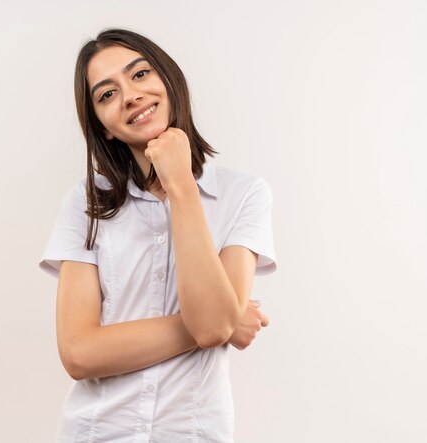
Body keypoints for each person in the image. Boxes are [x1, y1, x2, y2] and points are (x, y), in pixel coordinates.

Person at [39, 28, 277, 443]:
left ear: (168, 79)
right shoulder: (85, 203)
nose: (130, 95)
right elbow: (79, 353)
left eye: (140, 74)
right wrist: (222, 318)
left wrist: (182, 185)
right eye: (106, 95)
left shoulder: (244, 195)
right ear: (104, 127)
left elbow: (212, 328)